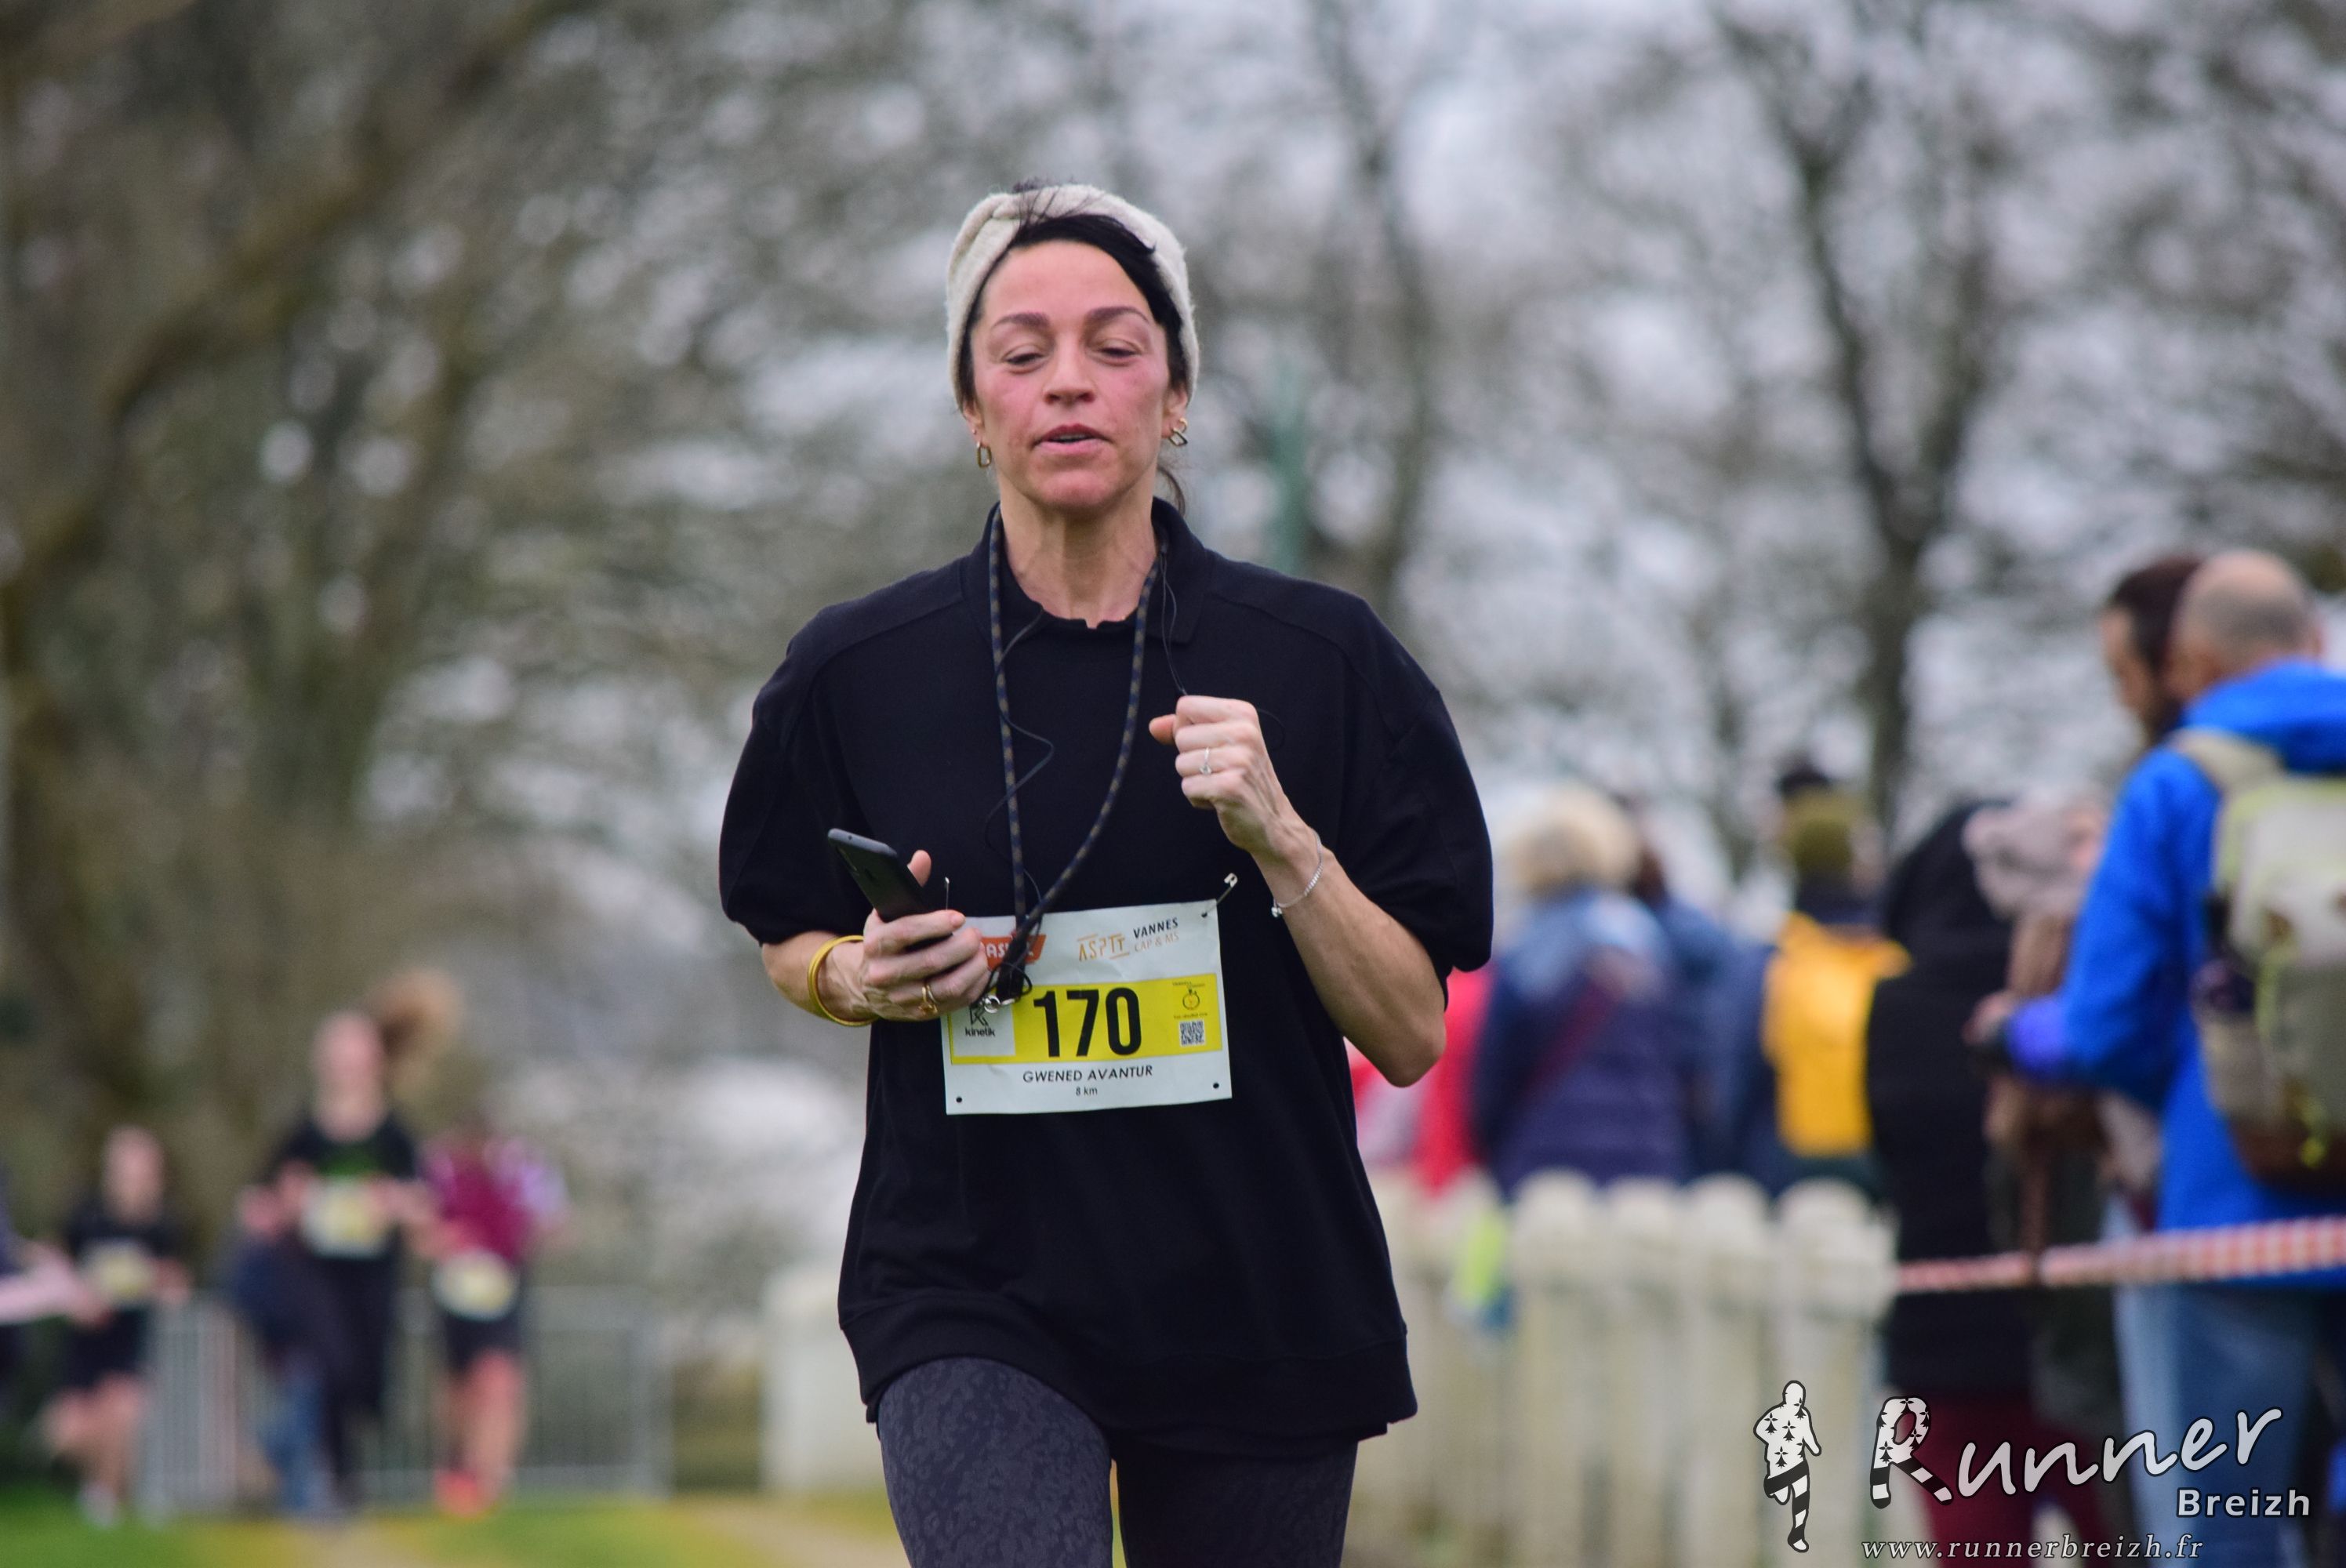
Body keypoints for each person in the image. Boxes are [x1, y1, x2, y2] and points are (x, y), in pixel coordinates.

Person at [717, 180, 1492, 1568]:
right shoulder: (856, 672)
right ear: (972, 407)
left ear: (1175, 395)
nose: (1067, 382)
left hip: (1257, 1290)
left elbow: (1411, 1032)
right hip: (971, 1286)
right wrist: (855, 976)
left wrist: (1285, 838)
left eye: (1115, 346)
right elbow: (785, 931)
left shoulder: (1326, 665)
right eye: (1021, 353)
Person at [1997, 550, 2345, 1565]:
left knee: (2219, 1524)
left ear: (2189, 662)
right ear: (2315, 640)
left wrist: (2016, 1034)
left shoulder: (2173, 786)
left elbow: (2105, 1028)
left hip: (2229, 1200)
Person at [1865, 808, 2117, 1551]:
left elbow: (1885, 1155)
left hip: (1945, 1346)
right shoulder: (2079, 985)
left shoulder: (1896, 1007)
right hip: (2079, 1332)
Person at [1470, 785, 1689, 1196]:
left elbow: (1496, 1071)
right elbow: (1671, 1054)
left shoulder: (1525, 945)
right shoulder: (1644, 937)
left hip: (1546, 1159)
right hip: (1645, 1154)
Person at [260, 1011, 427, 1509]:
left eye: (355, 1057)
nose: (347, 1067)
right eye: (338, 1057)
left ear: (374, 1063)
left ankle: (292, 1445)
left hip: (374, 1274)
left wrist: (394, 1201)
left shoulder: (396, 1135)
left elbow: (423, 1203)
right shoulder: (301, 1135)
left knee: (365, 1375)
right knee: (330, 1365)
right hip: (316, 1272)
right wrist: (288, 1201)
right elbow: (264, 1203)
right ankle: (338, 1476)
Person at [1719, 768, 1905, 1196]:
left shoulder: (1773, 960)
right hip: (1884, 1156)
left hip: (1794, 1161)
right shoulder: (1894, 957)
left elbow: (1738, 1082)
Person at [41, 1127, 191, 1526]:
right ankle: (128, 1486)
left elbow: (176, 1282)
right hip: (86, 1350)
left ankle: (104, 1496)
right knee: (63, 1436)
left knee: (123, 1409)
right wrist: (72, 1296)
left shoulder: (162, 1226)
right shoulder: (87, 1217)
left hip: (134, 1348)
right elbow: (53, 1258)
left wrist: (162, 1283)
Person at [422, 1109, 566, 1515]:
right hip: (455, 1289)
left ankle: (492, 1480)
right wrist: (443, 1238)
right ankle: (457, 1465)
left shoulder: (525, 1169)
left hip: (506, 1286)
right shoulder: (439, 1168)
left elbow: (557, 1224)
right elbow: (421, 1226)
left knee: (500, 1381)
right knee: (459, 1387)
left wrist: (537, 1233)